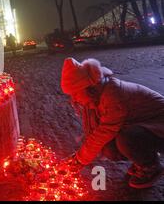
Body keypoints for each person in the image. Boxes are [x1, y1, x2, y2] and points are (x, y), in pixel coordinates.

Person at [61, 58, 164, 189]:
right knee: (109, 148)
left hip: (159, 127)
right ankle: (143, 158)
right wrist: (78, 157)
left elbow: (104, 132)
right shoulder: (95, 96)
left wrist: (78, 161)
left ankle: (151, 166)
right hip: (144, 126)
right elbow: (93, 133)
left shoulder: (113, 95)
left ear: (89, 88)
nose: (74, 99)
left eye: (75, 93)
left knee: (126, 138)